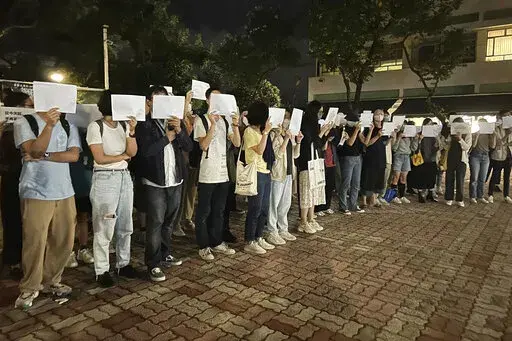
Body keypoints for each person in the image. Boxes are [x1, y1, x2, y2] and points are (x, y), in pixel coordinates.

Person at [14, 104, 81, 309]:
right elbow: (33, 149)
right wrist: (49, 127)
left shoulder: (69, 125)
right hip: (35, 190)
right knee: (34, 240)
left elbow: (73, 156)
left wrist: (45, 156)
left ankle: (52, 280)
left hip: (65, 191)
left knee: (64, 240)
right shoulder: (25, 122)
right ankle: (29, 287)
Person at [135, 86, 192, 282]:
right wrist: (167, 138)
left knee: (169, 222)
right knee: (155, 223)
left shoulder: (174, 121)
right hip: (155, 182)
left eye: (165, 99)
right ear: (149, 102)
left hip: (175, 179)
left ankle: (166, 254)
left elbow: (188, 147)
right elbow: (145, 153)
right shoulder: (143, 124)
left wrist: (179, 130)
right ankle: (153, 264)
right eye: (156, 99)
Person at [87, 90, 138, 287]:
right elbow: (100, 158)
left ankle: (123, 263)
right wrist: (123, 156)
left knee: (125, 224)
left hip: (124, 177)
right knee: (104, 225)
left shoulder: (124, 125)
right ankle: (102, 269)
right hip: (105, 178)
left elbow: (133, 151)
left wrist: (132, 131)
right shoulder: (96, 127)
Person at [194, 88, 240, 261]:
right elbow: (203, 145)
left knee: (219, 210)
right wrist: (212, 124)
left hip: (223, 173)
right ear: (207, 101)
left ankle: (217, 241)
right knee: (204, 210)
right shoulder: (201, 120)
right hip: (208, 173)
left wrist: (235, 125)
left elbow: (236, 143)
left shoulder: (226, 121)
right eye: (214, 98)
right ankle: (203, 245)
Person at [0, 91, 31, 280]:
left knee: (29, 222)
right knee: (12, 220)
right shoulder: (5, 132)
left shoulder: (32, 127)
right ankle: (13, 261)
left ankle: (28, 259)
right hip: (12, 179)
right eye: (27, 106)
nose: (31, 109)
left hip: (31, 179)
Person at [242, 102, 275, 254]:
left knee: (264, 209)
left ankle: (259, 236)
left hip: (265, 171)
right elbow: (260, 150)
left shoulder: (261, 131)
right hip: (255, 172)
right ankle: (250, 240)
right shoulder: (249, 131)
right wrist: (266, 133)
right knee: (254, 208)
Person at [266, 112, 302, 245]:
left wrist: (297, 142)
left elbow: (296, 155)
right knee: (274, 203)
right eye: (286, 120)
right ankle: (272, 231)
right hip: (277, 173)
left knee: (285, 203)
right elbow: (276, 156)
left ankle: (283, 229)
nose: (287, 123)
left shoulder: (289, 134)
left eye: (289, 121)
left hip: (288, 173)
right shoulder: (273, 134)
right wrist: (286, 139)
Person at [296, 101, 332, 233]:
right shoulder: (305, 123)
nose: (320, 114)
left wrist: (325, 132)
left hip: (316, 160)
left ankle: (311, 218)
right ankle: (303, 221)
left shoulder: (315, 124)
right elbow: (309, 142)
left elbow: (320, 145)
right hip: (307, 162)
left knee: (315, 191)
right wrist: (321, 132)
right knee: (306, 192)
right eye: (319, 111)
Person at [67, 126, 95, 268]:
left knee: (82, 217)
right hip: (66, 183)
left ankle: (83, 248)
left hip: (83, 183)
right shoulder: (64, 129)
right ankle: (68, 252)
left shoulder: (85, 133)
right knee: (69, 220)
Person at [337, 115, 365, 215]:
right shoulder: (344, 129)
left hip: (358, 157)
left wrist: (366, 130)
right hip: (347, 157)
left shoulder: (358, 130)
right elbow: (350, 143)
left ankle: (353, 204)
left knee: (356, 183)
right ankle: (343, 206)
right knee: (346, 183)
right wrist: (356, 131)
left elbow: (365, 141)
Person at [442, 117, 472, 207]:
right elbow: (446, 146)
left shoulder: (467, 134)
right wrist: (446, 140)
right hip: (451, 158)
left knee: (460, 179)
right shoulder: (451, 134)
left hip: (461, 159)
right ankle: (449, 198)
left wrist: (460, 139)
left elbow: (467, 147)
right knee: (449, 178)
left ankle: (459, 199)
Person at [360, 110, 386, 208]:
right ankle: (364, 200)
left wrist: (393, 137)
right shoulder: (368, 128)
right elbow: (367, 143)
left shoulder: (384, 128)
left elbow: (386, 143)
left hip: (381, 157)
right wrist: (377, 136)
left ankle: (374, 199)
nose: (380, 116)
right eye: (377, 114)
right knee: (367, 178)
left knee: (378, 178)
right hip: (370, 157)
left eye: (381, 114)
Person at [410, 118, 439, 203]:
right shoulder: (419, 134)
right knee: (420, 177)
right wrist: (419, 139)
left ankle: (430, 193)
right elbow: (413, 147)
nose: (429, 126)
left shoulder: (434, 135)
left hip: (432, 159)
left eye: (431, 124)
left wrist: (438, 141)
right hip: (421, 158)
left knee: (431, 176)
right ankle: (420, 194)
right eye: (428, 124)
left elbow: (439, 146)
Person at [390, 122, 419, 204]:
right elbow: (394, 148)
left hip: (407, 156)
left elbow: (414, 148)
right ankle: (394, 196)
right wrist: (399, 137)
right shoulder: (397, 134)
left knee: (404, 178)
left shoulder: (410, 137)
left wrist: (416, 139)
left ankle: (402, 196)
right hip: (398, 156)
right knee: (396, 177)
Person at [488, 110, 512, 204]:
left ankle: (506, 195)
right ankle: (490, 194)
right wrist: (507, 134)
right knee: (495, 175)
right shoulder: (496, 128)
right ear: (501, 118)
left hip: (509, 155)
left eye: (509, 116)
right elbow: (498, 143)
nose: (508, 118)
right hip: (498, 155)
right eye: (506, 116)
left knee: (507, 176)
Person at [469, 118, 494, 204]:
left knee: (482, 178)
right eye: (481, 124)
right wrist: (477, 136)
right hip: (475, 155)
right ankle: (472, 196)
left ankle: (480, 196)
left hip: (486, 156)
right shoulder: (475, 134)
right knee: (474, 178)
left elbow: (492, 146)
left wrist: (493, 136)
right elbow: (473, 146)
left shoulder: (489, 135)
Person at [315, 121, 337, 215]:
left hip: (332, 165)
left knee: (330, 187)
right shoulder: (324, 141)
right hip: (324, 166)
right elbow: (323, 148)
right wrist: (326, 138)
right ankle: (318, 208)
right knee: (322, 188)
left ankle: (327, 206)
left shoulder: (333, 144)